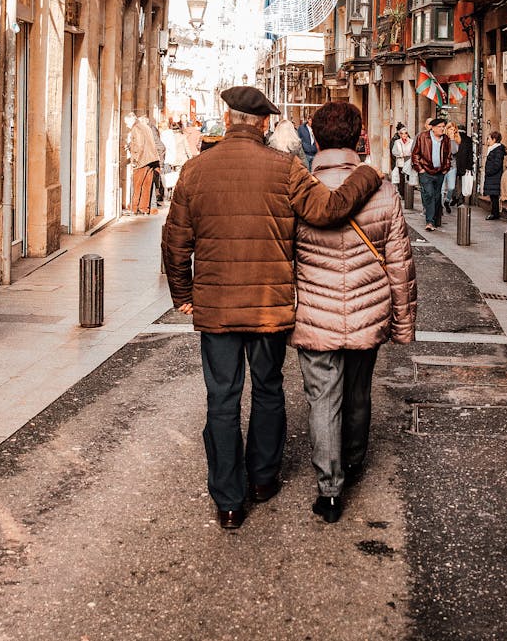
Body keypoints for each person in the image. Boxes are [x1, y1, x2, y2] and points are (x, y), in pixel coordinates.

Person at [162, 85, 383, 530]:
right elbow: (331, 209)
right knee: (267, 390)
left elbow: (175, 241)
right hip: (269, 306)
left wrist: (183, 294)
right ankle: (263, 479)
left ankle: (228, 500)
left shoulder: (194, 170)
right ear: (263, 124)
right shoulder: (285, 169)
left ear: (227, 121)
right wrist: (367, 174)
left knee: (222, 400)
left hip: (218, 309)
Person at [291, 102, 417, 523]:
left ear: (317, 137)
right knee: (359, 392)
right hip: (369, 310)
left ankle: (329, 490)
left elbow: (283, 256)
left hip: (314, 313)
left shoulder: (301, 188)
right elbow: (399, 261)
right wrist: (402, 323)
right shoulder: (382, 190)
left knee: (322, 399)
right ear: (358, 137)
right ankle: (355, 461)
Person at [411, 118, 451, 231]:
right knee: (429, 194)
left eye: (443, 126)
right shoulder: (422, 137)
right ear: (432, 128)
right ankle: (430, 221)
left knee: (437, 196)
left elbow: (448, 155)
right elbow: (415, 154)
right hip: (425, 171)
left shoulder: (446, 139)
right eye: (439, 126)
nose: (442, 129)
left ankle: (436, 219)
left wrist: (445, 168)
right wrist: (420, 169)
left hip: (439, 171)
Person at [125, 112, 160, 215]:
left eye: (126, 122)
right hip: (151, 160)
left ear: (131, 120)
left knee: (137, 185)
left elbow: (139, 145)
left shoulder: (136, 128)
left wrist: (135, 160)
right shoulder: (145, 126)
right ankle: (144, 208)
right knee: (146, 185)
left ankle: (134, 208)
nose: (126, 125)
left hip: (142, 160)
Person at [483, 131, 504, 220]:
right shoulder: (493, 149)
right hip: (492, 176)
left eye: (489, 139)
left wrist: (489, 171)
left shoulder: (497, 150)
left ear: (494, 140)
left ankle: (495, 213)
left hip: (494, 176)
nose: (487, 141)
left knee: (494, 196)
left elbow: (497, 164)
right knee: (493, 196)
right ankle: (494, 212)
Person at [442, 122, 460, 213]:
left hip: (452, 167)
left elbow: (454, 151)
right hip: (441, 167)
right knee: (441, 189)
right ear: (447, 129)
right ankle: (439, 207)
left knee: (451, 187)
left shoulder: (456, 140)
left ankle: (447, 201)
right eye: (450, 129)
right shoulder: (442, 139)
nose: (452, 131)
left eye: (454, 130)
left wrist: (452, 139)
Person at [454, 125, 474, 205]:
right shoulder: (468, 139)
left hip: (455, 163)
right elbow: (470, 154)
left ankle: (454, 196)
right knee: (463, 181)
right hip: (464, 164)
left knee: (454, 181)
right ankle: (460, 197)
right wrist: (469, 166)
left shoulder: (454, 138)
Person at [391, 126, 413, 195]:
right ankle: (402, 193)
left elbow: (414, 150)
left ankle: (409, 194)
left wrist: (410, 154)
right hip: (401, 162)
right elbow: (394, 151)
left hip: (409, 161)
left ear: (407, 134)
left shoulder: (411, 141)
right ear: (400, 134)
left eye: (405, 133)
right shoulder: (397, 142)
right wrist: (400, 154)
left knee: (409, 178)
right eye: (402, 133)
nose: (404, 135)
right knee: (402, 178)